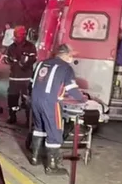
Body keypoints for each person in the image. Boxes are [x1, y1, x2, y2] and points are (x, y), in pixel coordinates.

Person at [30, 44, 85, 174]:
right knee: (54, 132)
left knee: (39, 128)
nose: (72, 57)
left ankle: (34, 158)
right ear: (65, 55)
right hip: (50, 103)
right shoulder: (66, 68)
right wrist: (83, 100)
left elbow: (32, 82)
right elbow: (72, 89)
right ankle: (52, 167)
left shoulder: (41, 64)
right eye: (71, 55)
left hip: (35, 99)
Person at [3, 26, 37, 125]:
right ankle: (12, 117)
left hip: (26, 78)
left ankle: (28, 120)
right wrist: (11, 60)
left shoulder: (30, 46)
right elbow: (6, 59)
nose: (17, 38)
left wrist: (25, 63)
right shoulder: (11, 47)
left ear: (24, 35)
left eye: (19, 36)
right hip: (14, 78)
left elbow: (33, 59)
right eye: (16, 36)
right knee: (12, 99)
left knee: (27, 100)